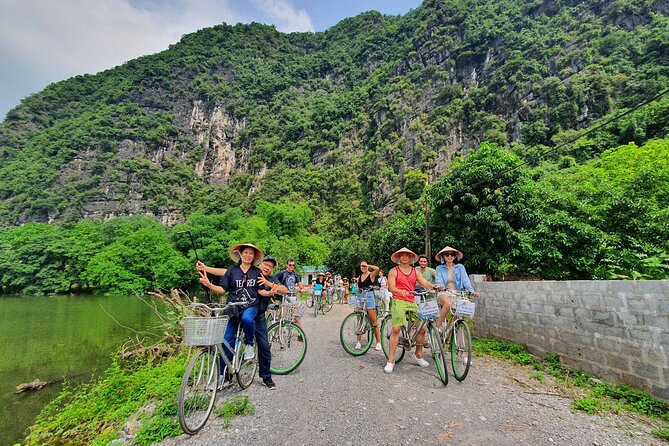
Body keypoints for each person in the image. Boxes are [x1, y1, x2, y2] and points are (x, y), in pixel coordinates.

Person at [197, 243, 274, 389]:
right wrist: (209, 284)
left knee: (250, 324)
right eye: (246, 252)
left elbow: (260, 291)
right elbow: (222, 290)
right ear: (240, 254)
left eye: (251, 254)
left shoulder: (256, 272)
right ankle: (223, 376)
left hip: (251, 307)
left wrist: (269, 292)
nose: (248, 256)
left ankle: (251, 347)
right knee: (226, 341)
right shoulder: (232, 271)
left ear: (254, 257)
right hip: (232, 309)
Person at [384, 247, 440, 374]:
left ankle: (418, 354)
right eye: (402, 255)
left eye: (407, 255)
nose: (404, 257)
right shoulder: (394, 271)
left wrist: (433, 286)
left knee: (422, 328)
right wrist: (400, 291)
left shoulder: (415, 271)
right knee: (396, 329)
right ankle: (391, 360)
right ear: (399, 257)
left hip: (411, 300)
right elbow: (391, 287)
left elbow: (424, 282)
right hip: (399, 300)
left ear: (411, 258)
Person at [256, 255, 288, 389]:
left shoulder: (271, 279)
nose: (267, 267)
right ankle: (225, 374)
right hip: (242, 311)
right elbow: (228, 273)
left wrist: (268, 283)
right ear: (260, 264)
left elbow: (285, 290)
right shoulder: (252, 273)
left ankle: (266, 377)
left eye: (270, 266)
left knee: (264, 346)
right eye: (265, 264)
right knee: (229, 341)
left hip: (259, 315)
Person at [434, 246, 480, 329]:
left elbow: (465, 280)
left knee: (461, 314)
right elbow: (438, 280)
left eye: (452, 254)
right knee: (447, 304)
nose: (449, 256)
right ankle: (437, 327)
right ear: (443, 257)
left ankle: (455, 335)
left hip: (458, 293)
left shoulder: (460, 267)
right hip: (444, 292)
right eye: (447, 254)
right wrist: (440, 286)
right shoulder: (439, 268)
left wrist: (472, 291)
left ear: (455, 256)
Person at [357, 261, 383, 351]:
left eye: (364, 266)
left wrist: (367, 265)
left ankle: (378, 342)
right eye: (361, 266)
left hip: (370, 297)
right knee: (359, 319)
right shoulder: (360, 276)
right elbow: (358, 287)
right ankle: (358, 341)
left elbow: (377, 269)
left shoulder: (371, 275)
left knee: (373, 321)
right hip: (361, 297)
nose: (363, 267)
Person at [274, 258, 305, 327]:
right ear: (287, 265)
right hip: (283, 297)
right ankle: (276, 334)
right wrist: (279, 287)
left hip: (292, 297)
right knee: (280, 318)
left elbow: (300, 285)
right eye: (290, 265)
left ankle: (300, 335)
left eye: (293, 265)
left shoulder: (295, 274)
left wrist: (302, 289)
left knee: (296, 317)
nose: (291, 266)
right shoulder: (282, 273)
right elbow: (273, 279)